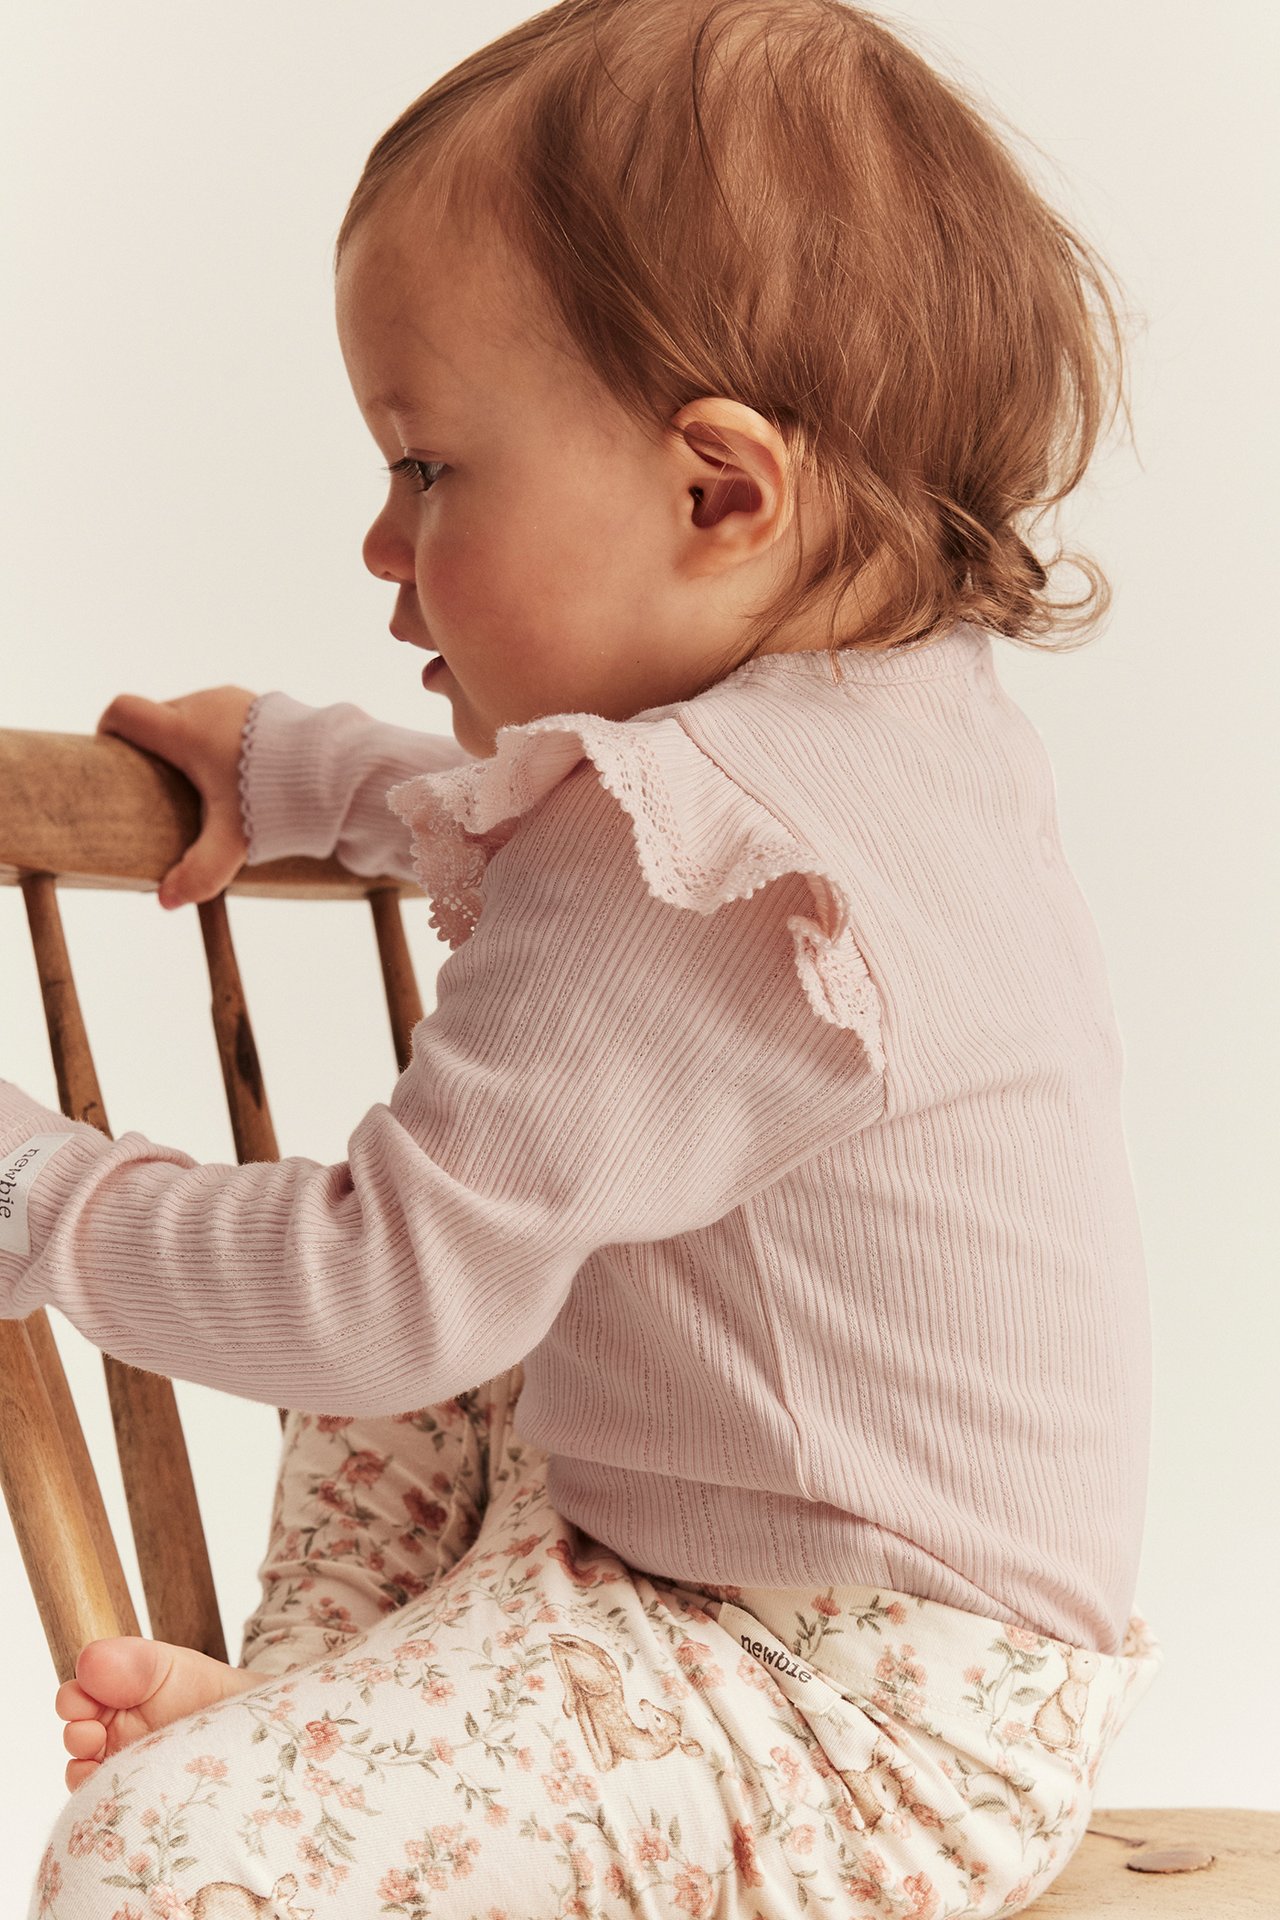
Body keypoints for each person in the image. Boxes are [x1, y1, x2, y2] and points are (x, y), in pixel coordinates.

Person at [2, 2, 1163, 1914]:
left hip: (845, 1714)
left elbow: (373, 1300)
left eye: (430, 467)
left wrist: (43, 1192)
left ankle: (284, 1765)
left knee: (147, 1852)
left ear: (719, 492)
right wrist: (316, 773)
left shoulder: (677, 868)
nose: (382, 538)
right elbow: (570, 827)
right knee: (474, 1293)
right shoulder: (893, 721)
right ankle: (326, 1712)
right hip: (818, 1594)